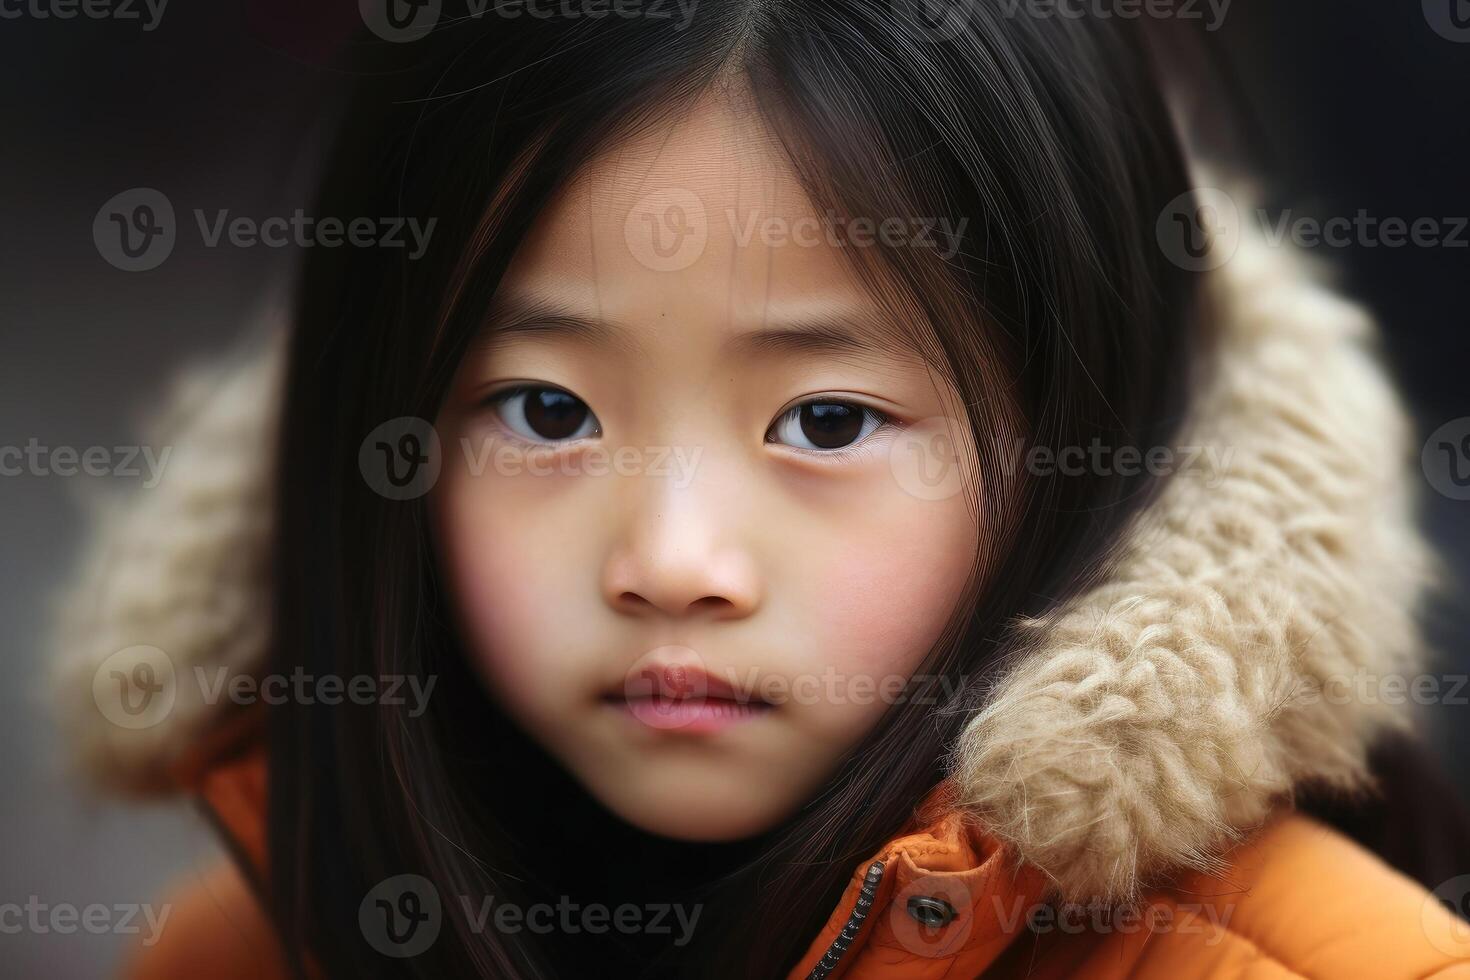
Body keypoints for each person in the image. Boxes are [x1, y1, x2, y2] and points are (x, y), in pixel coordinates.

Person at [55, 3, 1470, 976]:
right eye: (546, 410)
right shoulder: (236, 949)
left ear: (1085, 432)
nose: (673, 562)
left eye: (827, 418)